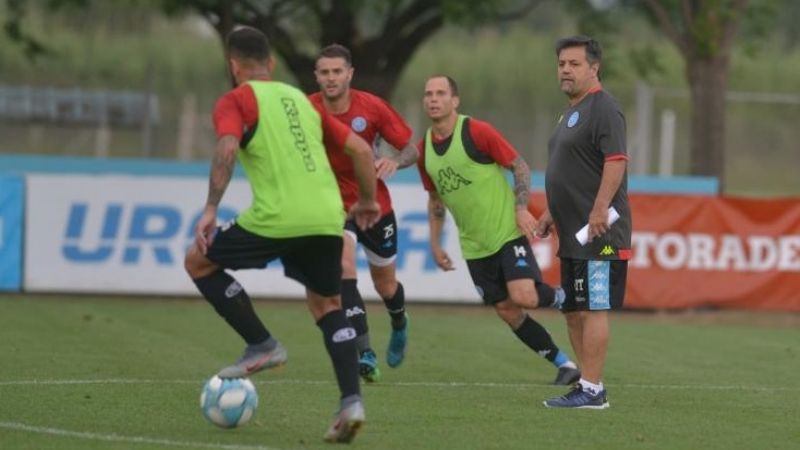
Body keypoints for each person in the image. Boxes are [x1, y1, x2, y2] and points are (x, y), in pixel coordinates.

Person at [183, 26, 381, 442]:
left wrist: (211, 208)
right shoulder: (300, 101)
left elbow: (227, 148)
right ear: (271, 64)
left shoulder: (237, 99)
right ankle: (351, 402)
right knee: (327, 305)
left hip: (278, 216)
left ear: (233, 65)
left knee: (198, 261)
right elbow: (363, 150)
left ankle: (262, 344)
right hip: (327, 216)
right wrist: (367, 201)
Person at [417, 74, 580, 386]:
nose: (433, 99)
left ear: (455, 100)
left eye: (440, 93)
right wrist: (435, 243)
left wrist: (520, 208)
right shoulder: (424, 150)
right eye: (428, 94)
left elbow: (519, 166)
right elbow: (436, 200)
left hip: (505, 233)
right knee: (507, 310)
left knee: (524, 296)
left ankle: (566, 297)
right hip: (474, 246)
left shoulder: (476, 132)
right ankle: (565, 366)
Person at [309, 44, 418, 382]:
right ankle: (365, 352)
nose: (331, 78)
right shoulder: (306, 108)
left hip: (375, 205)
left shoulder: (372, 107)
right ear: (317, 76)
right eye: (325, 72)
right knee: (344, 267)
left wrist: (394, 161)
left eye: (337, 71)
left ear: (350, 74)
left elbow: (411, 149)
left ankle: (399, 320)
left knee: (386, 286)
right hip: (333, 206)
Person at [538, 36, 632, 409]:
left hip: (599, 231)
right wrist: (551, 212)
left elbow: (616, 160)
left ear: (594, 68)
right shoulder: (570, 112)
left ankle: (592, 391)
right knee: (573, 309)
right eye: (561, 63)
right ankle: (589, 385)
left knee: (593, 307)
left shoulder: (604, 107)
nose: (565, 70)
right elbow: (572, 170)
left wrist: (599, 209)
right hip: (572, 232)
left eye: (574, 64)